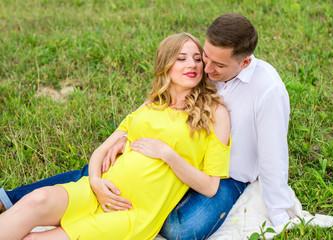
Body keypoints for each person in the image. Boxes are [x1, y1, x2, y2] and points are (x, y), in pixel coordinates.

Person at [0, 12, 294, 239]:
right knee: (37, 200)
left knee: (183, 230)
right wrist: (95, 181)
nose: (202, 66)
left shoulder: (228, 106)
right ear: (167, 65)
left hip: (140, 208)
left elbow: (260, 161)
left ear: (243, 63)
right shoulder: (154, 102)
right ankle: (9, 199)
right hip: (101, 189)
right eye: (192, 58)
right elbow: (105, 146)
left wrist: (166, 153)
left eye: (202, 60)